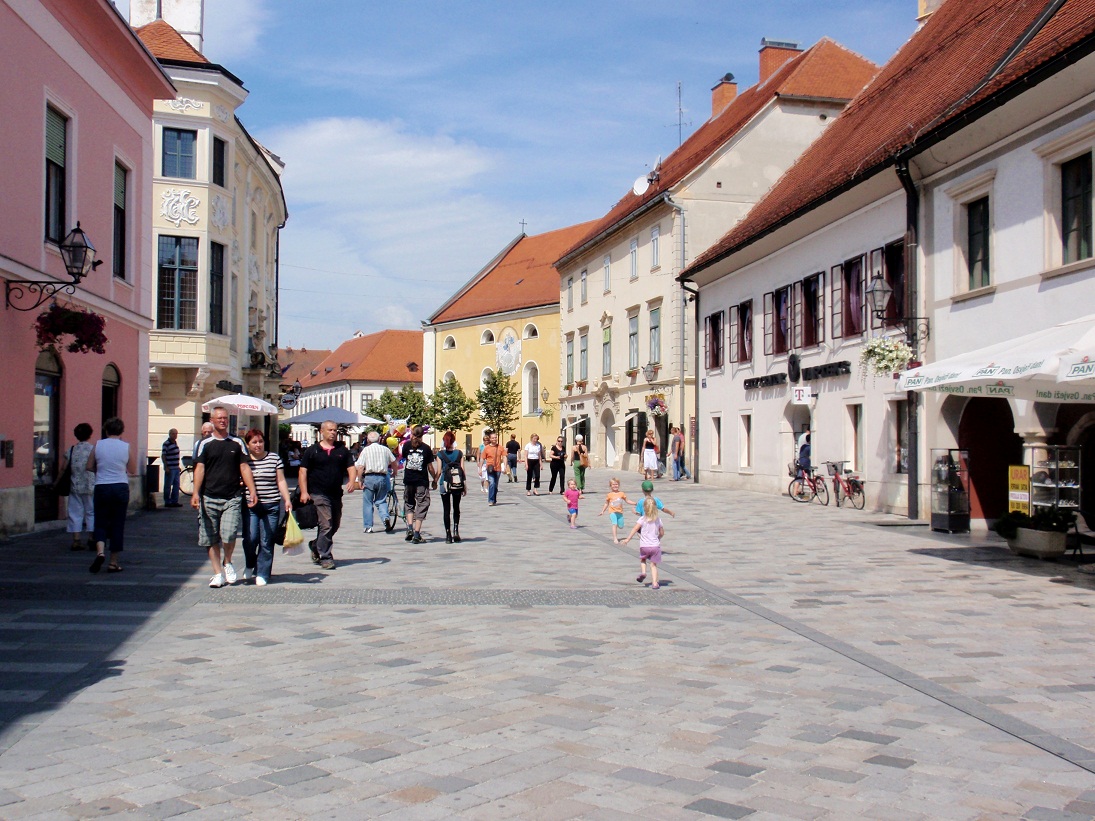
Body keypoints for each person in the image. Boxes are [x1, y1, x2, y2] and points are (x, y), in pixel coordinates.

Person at [193, 407, 258, 587]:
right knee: (210, 537)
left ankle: (227, 561)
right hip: (209, 496)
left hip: (232, 497)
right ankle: (217, 573)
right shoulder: (204, 444)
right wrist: (195, 493)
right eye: (219, 418)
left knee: (229, 534)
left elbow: (244, 467)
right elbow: (200, 468)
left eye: (225, 418)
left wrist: (252, 490)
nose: (223, 421)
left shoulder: (236, 442)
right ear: (212, 420)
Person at [298, 420, 355, 570]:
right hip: (318, 493)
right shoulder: (313, 451)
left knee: (334, 525)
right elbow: (303, 471)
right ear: (322, 432)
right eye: (330, 430)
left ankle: (316, 545)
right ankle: (326, 557)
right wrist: (304, 491)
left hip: (335, 494)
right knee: (326, 524)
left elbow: (351, 467)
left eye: (335, 430)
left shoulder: (342, 450)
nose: (333, 432)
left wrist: (352, 480)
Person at [241, 429, 291, 586]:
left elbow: (280, 480)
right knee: (251, 538)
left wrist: (287, 499)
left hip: (271, 505)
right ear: (247, 444)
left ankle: (263, 572)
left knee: (266, 540)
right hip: (251, 505)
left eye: (260, 441)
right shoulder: (244, 461)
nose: (258, 445)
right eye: (254, 442)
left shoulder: (273, 458)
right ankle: (250, 562)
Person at [86, 417, 136, 574]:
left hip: (102, 486)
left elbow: (88, 466)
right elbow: (133, 469)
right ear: (121, 431)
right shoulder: (125, 447)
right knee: (117, 524)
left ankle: (100, 552)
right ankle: (113, 562)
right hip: (120, 486)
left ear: (106, 430)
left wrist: (100, 471)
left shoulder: (98, 445)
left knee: (100, 522)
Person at [400, 424, 439, 543]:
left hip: (409, 479)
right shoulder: (426, 448)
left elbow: (405, 458)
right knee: (422, 504)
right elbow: (430, 467)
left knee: (409, 502)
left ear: (412, 433)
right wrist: (435, 479)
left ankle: (410, 527)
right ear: (423, 434)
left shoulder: (406, 446)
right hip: (421, 481)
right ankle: (417, 533)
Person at [59, 423, 95, 551]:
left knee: (75, 512)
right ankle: (91, 537)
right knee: (91, 512)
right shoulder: (93, 449)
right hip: (91, 485)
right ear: (90, 434)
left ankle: (76, 539)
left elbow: (63, 468)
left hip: (75, 485)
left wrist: (57, 481)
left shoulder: (71, 450)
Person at [354, 430, 397, 533]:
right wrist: (394, 472)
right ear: (379, 439)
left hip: (369, 477)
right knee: (381, 500)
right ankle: (385, 518)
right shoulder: (385, 449)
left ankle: (368, 526)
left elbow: (360, 467)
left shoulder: (365, 450)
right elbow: (394, 461)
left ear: (368, 439)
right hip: (382, 477)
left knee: (368, 502)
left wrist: (359, 479)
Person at [623, 497, 664, 589]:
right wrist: (659, 538)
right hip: (655, 546)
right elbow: (662, 532)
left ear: (644, 508)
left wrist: (627, 539)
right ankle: (654, 583)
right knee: (653, 565)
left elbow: (635, 529)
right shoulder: (658, 519)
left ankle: (644, 572)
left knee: (643, 560)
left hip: (644, 545)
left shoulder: (642, 519)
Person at [435, 430, 467, 543]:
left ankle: (448, 535)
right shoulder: (459, 453)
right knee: (456, 508)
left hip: (445, 483)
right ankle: (456, 531)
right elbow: (462, 470)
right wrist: (464, 485)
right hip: (457, 483)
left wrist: (434, 481)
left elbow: (439, 471)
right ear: (454, 441)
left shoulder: (440, 454)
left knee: (446, 509)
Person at [598, 477, 636, 544]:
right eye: (613, 484)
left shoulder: (621, 493)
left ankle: (618, 525)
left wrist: (635, 503)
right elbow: (606, 503)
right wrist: (602, 511)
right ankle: (615, 538)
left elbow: (627, 501)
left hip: (620, 512)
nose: (615, 486)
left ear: (619, 485)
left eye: (616, 484)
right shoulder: (609, 495)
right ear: (610, 486)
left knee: (621, 526)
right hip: (612, 512)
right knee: (614, 523)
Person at [482, 432, 504, 506]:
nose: (494, 439)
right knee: (492, 483)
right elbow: (482, 458)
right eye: (493, 438)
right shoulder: (487, 448)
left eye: (495, 437)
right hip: (490, 468)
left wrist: (505, 466)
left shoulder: (500, 447)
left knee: (495, 485)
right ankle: (491, 500)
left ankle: (494, 499)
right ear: (490, 439)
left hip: (498, 469)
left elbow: (504, 457)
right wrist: (479, 468)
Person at [161, 428, 182, 507]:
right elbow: (163, 455)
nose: (175, 435)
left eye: (176, 433)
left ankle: (174, 501)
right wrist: (166, 467)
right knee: (168, 485)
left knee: (176, 485)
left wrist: (178, 466)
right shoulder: (166, 444)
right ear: (170, 434)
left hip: (176, 467)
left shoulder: (175, 443)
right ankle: (167, 501)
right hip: (170, 468)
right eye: (173, 433)